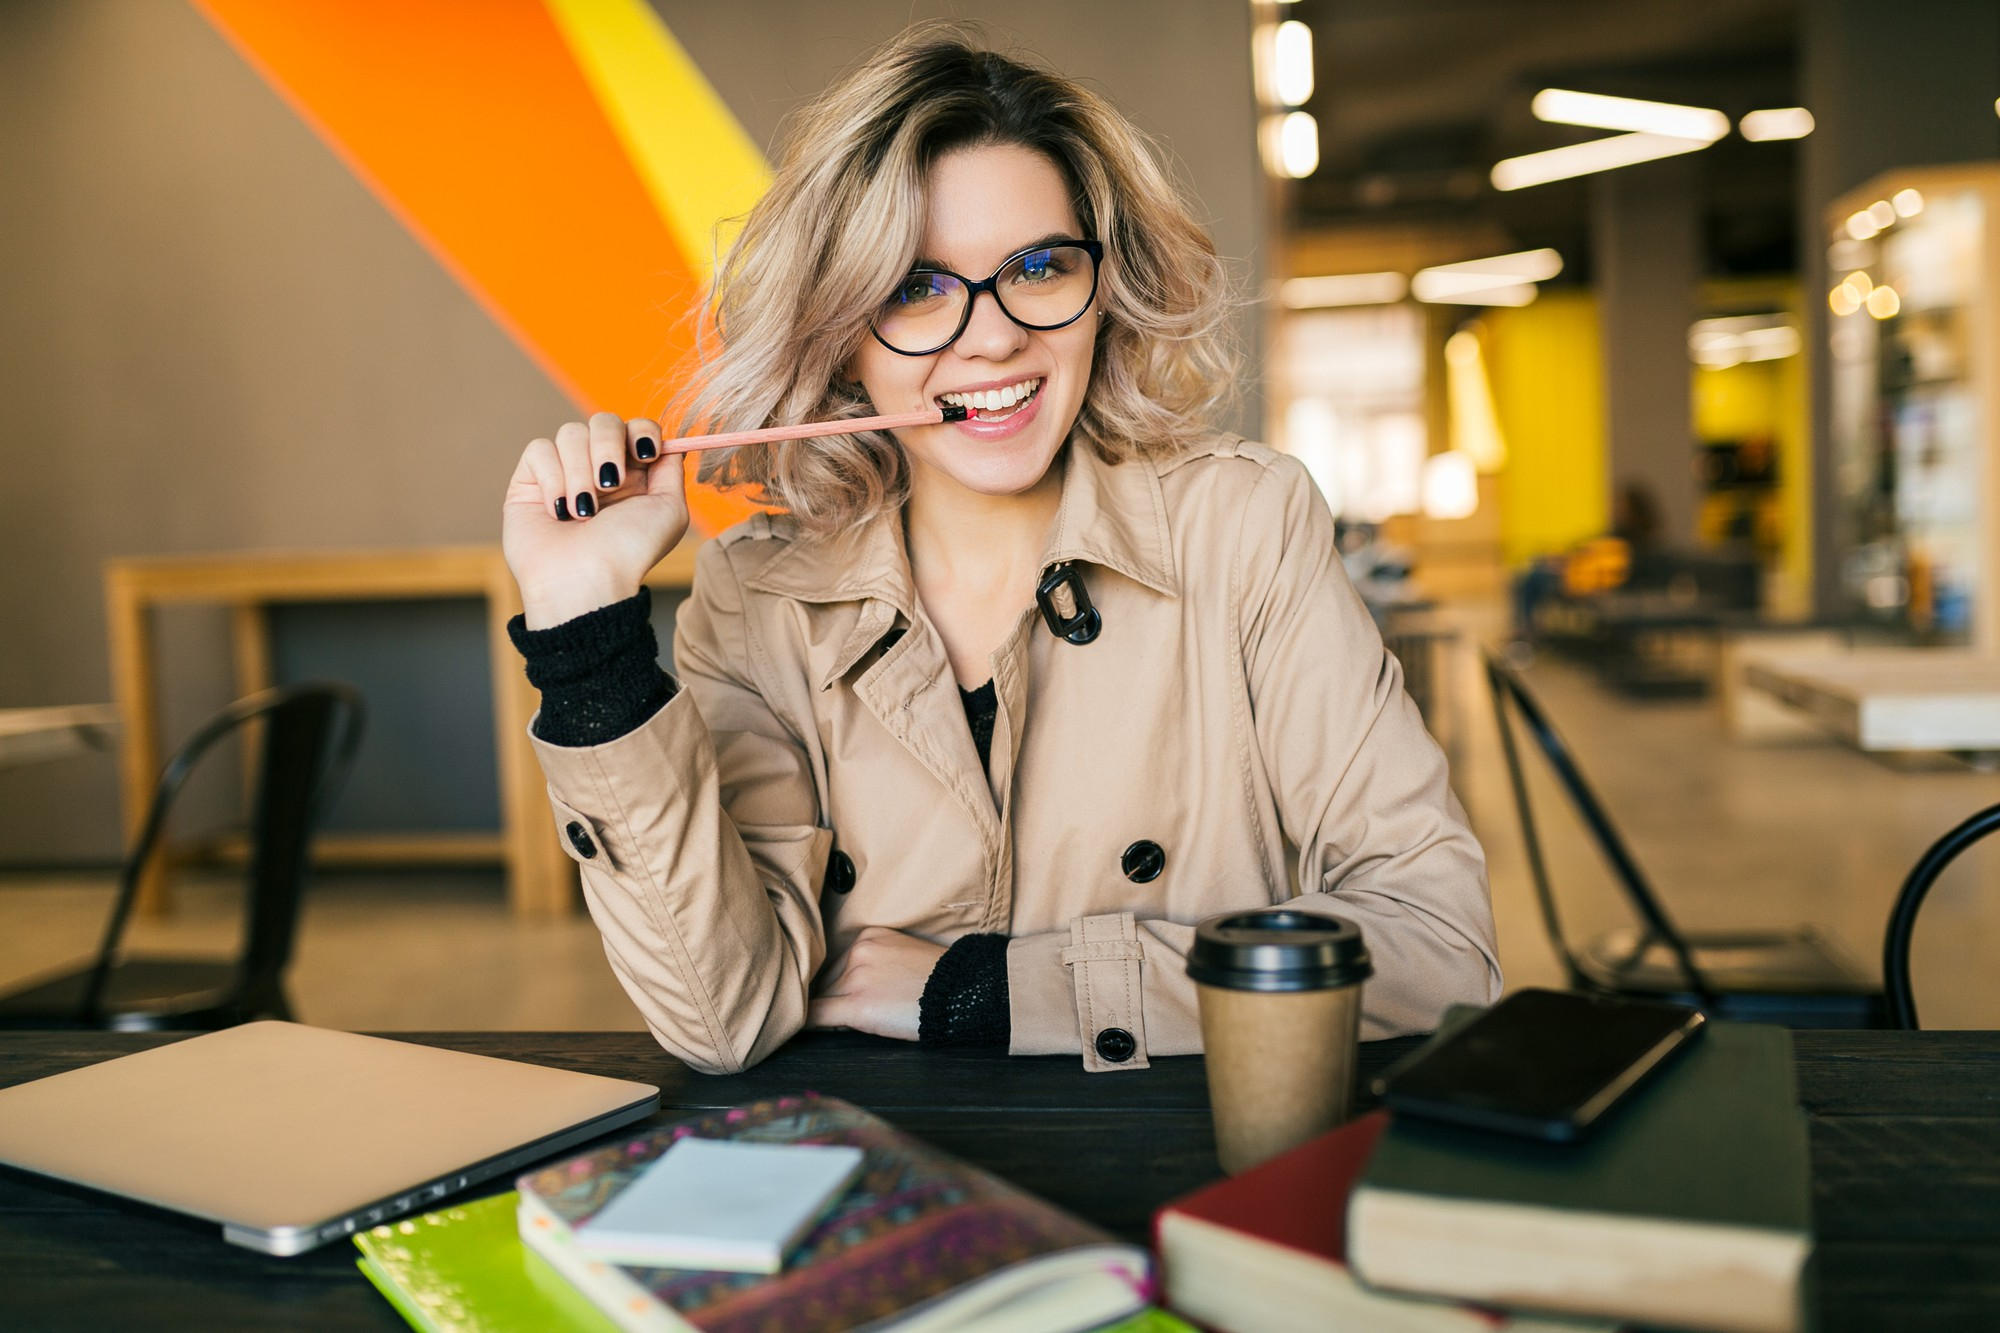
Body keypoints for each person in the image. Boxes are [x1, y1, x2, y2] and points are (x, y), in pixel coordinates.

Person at [500, 27, 1499, 1075]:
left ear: (1102, 288)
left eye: (1035, 267)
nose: (991, 338)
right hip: (889, 1201)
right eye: (917, 287)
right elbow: (722, 1019)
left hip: (1185, 1178)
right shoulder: (759, 593)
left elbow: (1439, 951)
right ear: (841, 330)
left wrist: (979, 991)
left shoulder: (1242, 527)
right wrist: (586, 631)